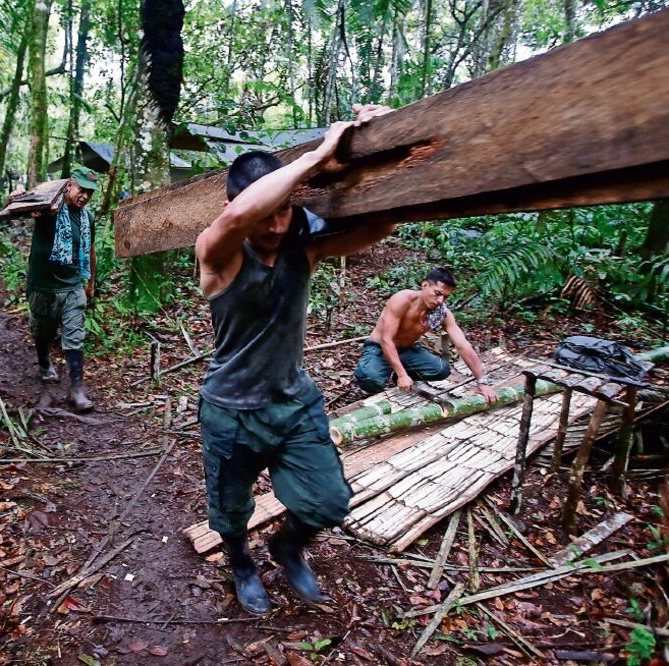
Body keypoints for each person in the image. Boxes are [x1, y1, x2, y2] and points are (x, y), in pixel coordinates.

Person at [196, 104, 398, 615]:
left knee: (328, 501)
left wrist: (382, 140)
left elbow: (384, 225)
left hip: (294, 403)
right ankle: (242, 563)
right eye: (269, 212)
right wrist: (319, 153)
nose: (278, 223)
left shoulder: (302, 251)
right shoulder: (217, 255)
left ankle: (287, 546)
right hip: (231, 410)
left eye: (286, 211)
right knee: (230, 510)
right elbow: (239, 216)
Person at [8, 165, 99, 411]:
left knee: (75, 337)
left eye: (90, 193)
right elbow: (18, 206)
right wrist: (17, 194)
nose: (85, 196)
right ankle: (44, 363)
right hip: (42, 286)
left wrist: (90, 282)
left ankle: (76, 390)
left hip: (71, 286)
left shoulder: (87, 217)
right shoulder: (48, 207)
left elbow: (90, 250)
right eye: (82, 190)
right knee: (42, 332)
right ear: (69, 185)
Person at [353, 267, 499, 404]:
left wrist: (482, 381)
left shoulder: (441, 313)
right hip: (380, 348)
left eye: (446, 297)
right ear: (424, 285)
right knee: (369, 378)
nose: (441, 300)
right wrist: (402, 375)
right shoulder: (402, 299)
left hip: (407, 350)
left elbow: (462, 344)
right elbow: (386, 340)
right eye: (438, 293)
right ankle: (391, 375)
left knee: (441, 369)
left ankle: (402, 374)